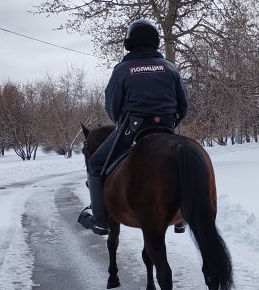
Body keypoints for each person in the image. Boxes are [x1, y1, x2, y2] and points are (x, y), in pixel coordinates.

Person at [79, 18, 188, 235]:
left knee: (96, 165)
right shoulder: (170, 67)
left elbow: (112, 106)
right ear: (155, 41)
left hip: (132, 129)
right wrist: (171, 123)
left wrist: (121, 124)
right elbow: (183, 104)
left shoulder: (122, 69)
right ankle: (182, 215)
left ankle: (101, 221)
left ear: (129, 42)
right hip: (167, 127)